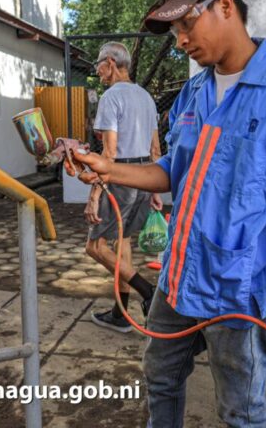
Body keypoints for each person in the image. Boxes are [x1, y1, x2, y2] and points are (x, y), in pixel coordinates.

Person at [67, 0, 266, 427]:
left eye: (186, 23)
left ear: (225, 6)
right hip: (179, 278)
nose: (179, 39)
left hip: (241, 289)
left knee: (240, 409)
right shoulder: (194, 93)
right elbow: (173, 171)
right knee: (159, 377)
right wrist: (107, 168)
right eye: (174, 29)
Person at [85, 42, 164, 333]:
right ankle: (121, 314)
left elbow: (109, 154)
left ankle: (149, 292)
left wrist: (94, 196)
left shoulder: (110, 97)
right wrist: (155, 189)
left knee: (95, 247)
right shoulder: (146, 97)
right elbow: (156, 147)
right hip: (144, 175)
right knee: (124, 242)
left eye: (98, 64)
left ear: (109, 62)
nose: (97, 70)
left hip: (119, 177)